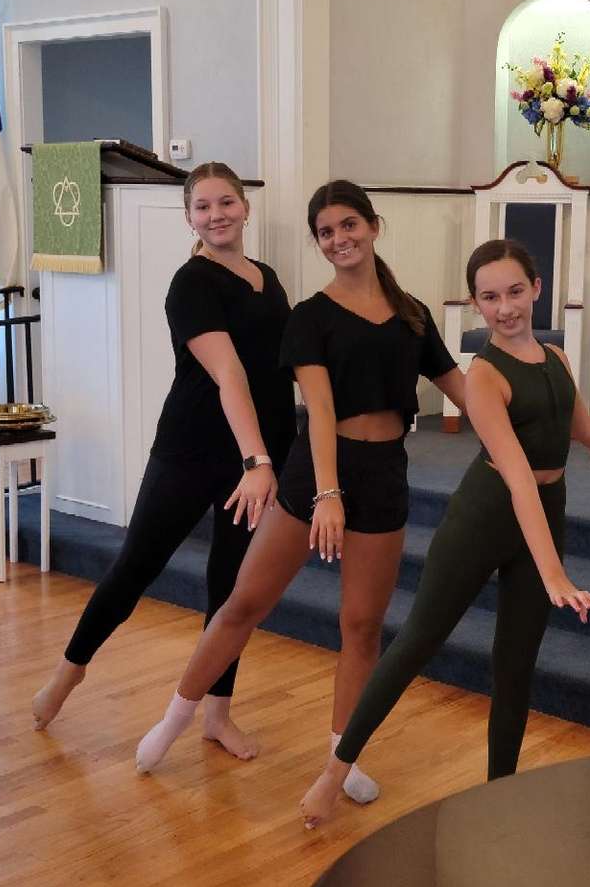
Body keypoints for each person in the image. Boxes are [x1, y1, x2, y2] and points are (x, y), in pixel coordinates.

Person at [300, 238, 590, 828]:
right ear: (476, 304)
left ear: (536, 288)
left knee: (516, 663)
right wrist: (553, 568)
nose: (504, 308)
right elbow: (517, 478)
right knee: (417, 642)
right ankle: (332, 773)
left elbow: (577, 425)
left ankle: (499, 792)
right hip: (486, 515)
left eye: (513, 292)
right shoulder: (483, 376)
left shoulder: (555, 359)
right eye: (489, 298)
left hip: (544, 510)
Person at [133, 180, 466, 798]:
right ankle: (175, 717)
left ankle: (344, 756)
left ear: (373, 226)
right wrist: (327, 496)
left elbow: (462, 389)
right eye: (326, 232)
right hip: (315, 474)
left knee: (362, 626)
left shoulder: (412, 315)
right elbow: (317, 409)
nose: (339, 239)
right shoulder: (311, 316)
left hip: (385, 474)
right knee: (243, 604)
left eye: (348, 225)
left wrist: (519, 433)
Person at [30, 162, 295, 761]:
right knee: (134, 569)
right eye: (203, 207)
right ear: (189, 217)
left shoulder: (267, 278)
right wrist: (257, 458)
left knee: (231, 589)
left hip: (257, 457)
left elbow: (280, 368)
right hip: (194, 450)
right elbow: (228, 374)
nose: (217, 215)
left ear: (246, 207)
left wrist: (273, 455)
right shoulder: (191, 282)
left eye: (226, 202)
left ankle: (217, 715)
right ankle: (67, 676)